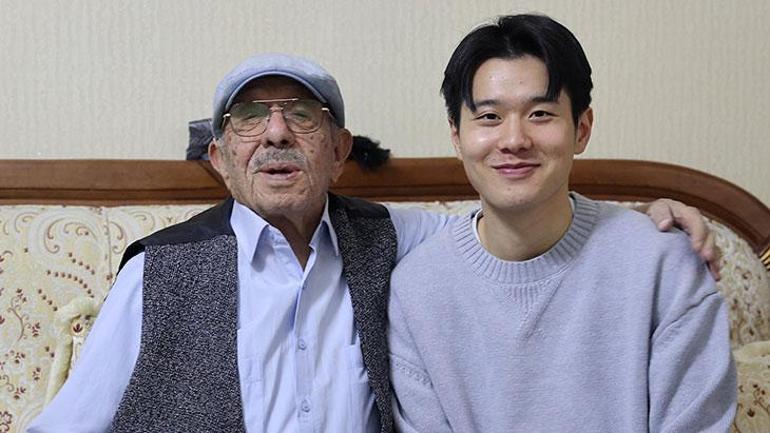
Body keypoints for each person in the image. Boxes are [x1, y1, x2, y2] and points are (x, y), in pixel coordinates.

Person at [28, 52, 719, 433]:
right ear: (219, 157)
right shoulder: (160, 272)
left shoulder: (395, 238)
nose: (276, 133)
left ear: (339, 151)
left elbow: (515, 217)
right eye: (250, 117)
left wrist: (640, 217)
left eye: (302, 115)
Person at [387, 14, 736, 433]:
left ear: (582, 129)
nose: (514, 140)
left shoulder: (664, 265)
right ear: (457, 137)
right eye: (490, 117)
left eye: (540, 113)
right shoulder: (415, 289)